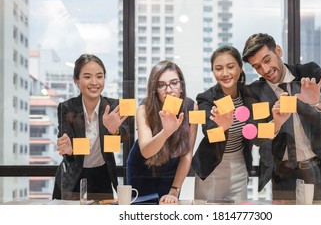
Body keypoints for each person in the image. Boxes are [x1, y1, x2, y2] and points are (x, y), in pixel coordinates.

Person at [242, 33, 321, 200]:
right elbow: (257, 139)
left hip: (320, 166)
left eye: (267, 60)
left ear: (278, 51)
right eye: (257, 66)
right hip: (283, 173)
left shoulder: (308, 72)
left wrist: (317, 101)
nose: (265, 70)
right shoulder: (254, 92)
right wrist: (275, 123)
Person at [53, 54, 129, 200]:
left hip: (102, 175)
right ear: (76, 80)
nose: (94, 82)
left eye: (99, 76)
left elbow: (126, 136)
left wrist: (114, 130)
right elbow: (65, 139)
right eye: (87, 77)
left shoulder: (114, 106)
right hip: (73, 175)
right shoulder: (66, 107)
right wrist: (69, 149)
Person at [191, 45, 259, 201]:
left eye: (230, 67)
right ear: (213, 71)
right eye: (219, 68)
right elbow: (209, 132)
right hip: (210, 169)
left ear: (240, 68)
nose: (225, 73)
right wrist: (222, 126)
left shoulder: (250, 96)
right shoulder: (206, 98)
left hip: (239, 167)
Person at [126, 60, 198, 204]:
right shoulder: (144, 108)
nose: (169, 89)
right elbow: (146, 151)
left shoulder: (191, 107)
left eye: (174, 83)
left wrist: (175, 189)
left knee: (168, 209)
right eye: (161, 85)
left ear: (181, 86)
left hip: (172, 169)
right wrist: (166, 132)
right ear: (155, 90)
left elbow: (187, 154)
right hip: (143, 168)